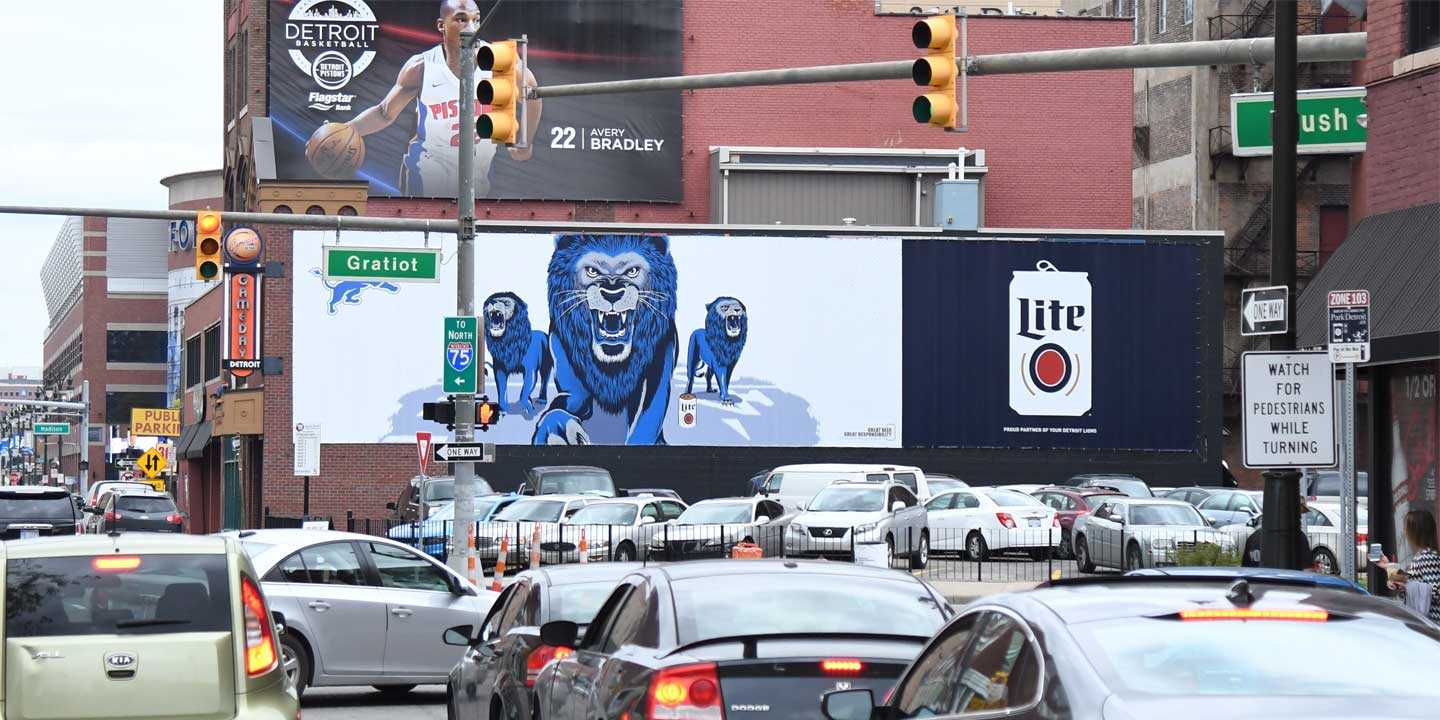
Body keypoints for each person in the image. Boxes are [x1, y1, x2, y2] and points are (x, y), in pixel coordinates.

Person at [342, 0, 543, 196]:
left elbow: (532, 95)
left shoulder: (499, 60)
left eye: (476, 20)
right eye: (461, 20)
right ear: (441, 25)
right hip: (425, 170)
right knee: (430, 225)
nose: (471, 27)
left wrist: (527, 140)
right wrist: (347, 129)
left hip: (477, 174)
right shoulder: (422, 66)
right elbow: (384, 113)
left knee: (471, 225)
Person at [1379, 509, 1440, 623]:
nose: (1404, 531)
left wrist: (1406, 586)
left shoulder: (1428, 556)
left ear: (1415, 531)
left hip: (1431, 624)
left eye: (1407, 527)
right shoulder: (1424, 554)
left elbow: (1437, 591)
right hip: (1426, 623)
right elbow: (1411, 580)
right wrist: (1387, 565)